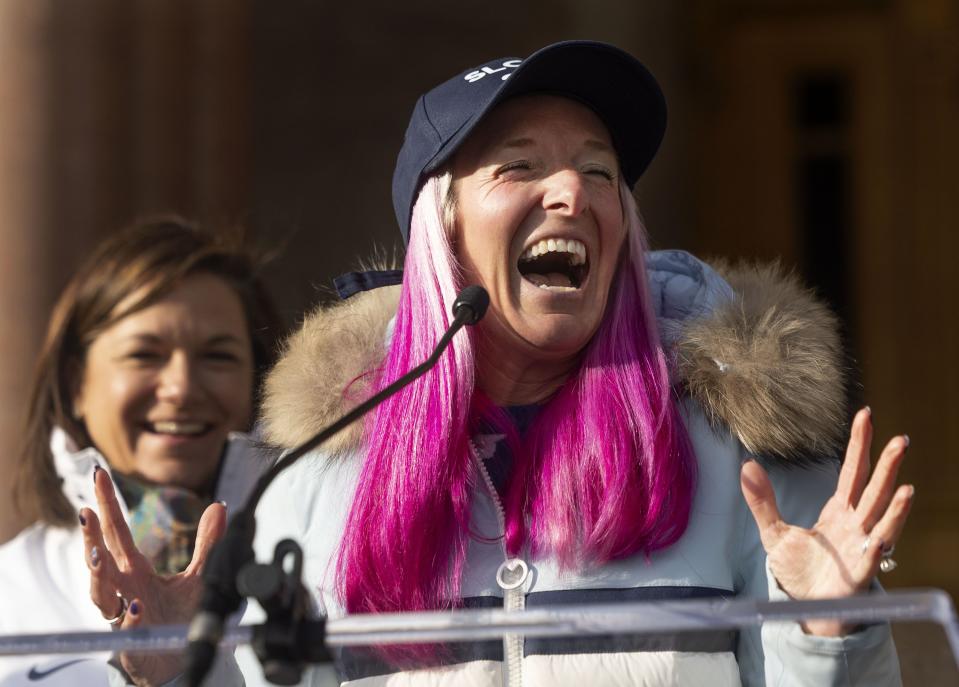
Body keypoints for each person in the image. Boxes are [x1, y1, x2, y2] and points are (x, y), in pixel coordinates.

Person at [104, 41, 912, 686]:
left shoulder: (737, 458)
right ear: (442, 233)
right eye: (519, 166)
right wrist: (180, 670)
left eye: (599, 170)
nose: (571, 191)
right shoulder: (320, 473)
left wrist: (828, 632)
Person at [0, 217, 280, 686]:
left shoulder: (314, 565)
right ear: (75, 385)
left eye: (218, 356)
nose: (182, 388)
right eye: (144, 355)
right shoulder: (12, 591)